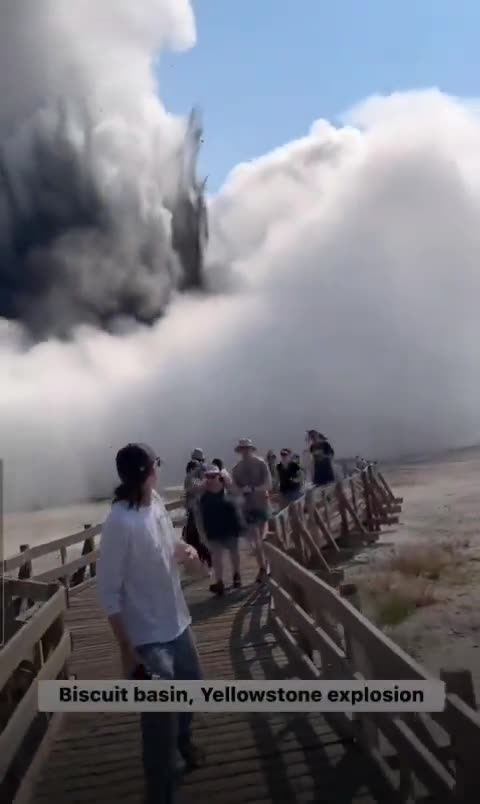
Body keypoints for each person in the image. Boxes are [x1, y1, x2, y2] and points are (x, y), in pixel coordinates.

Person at [97, 442, 207, 804]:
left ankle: (184, 742)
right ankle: (159, 793)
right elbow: (108, 591)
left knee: (193, 685)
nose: (159, 469)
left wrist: (186, 551)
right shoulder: (119, 522)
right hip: (146, 638)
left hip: (177, 622)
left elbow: (167, 543)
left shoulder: (155, 502)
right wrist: (126, 649)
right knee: (159, 722)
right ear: (147, 473)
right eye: (156, 464)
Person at [198, 464, 245, 595]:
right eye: (208, 476)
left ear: (219, 476)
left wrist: (230, 484)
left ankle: (236, 575)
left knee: (234, 553)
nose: (210, 479)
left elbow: (239, 499)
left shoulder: (228, 489)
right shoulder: (203, 494)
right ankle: (219, 582)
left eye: (213, 476)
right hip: (213, 530)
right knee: (216, 557)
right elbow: (199, 514)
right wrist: (201, 532)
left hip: (230, 527)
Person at [231, 438, 272, 582]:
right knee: (255, 541)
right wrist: (242, 490)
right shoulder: (236, 468)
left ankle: (267, 565)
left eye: (247, 448)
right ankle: (263, 568)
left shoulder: (261, 463)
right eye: (242, 449)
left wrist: (254, 489)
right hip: (247, 507)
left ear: (251, 449)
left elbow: (268, 484)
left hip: (262, 504)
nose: (245, 451)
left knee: (263, 539)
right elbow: (234, 489)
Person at [183, 452, 212, 568]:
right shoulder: (198, 475)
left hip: (198, 511)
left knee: (196, 538)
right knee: (196, 538)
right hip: (197, 511)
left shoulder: (196, 475)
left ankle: (205, 563)